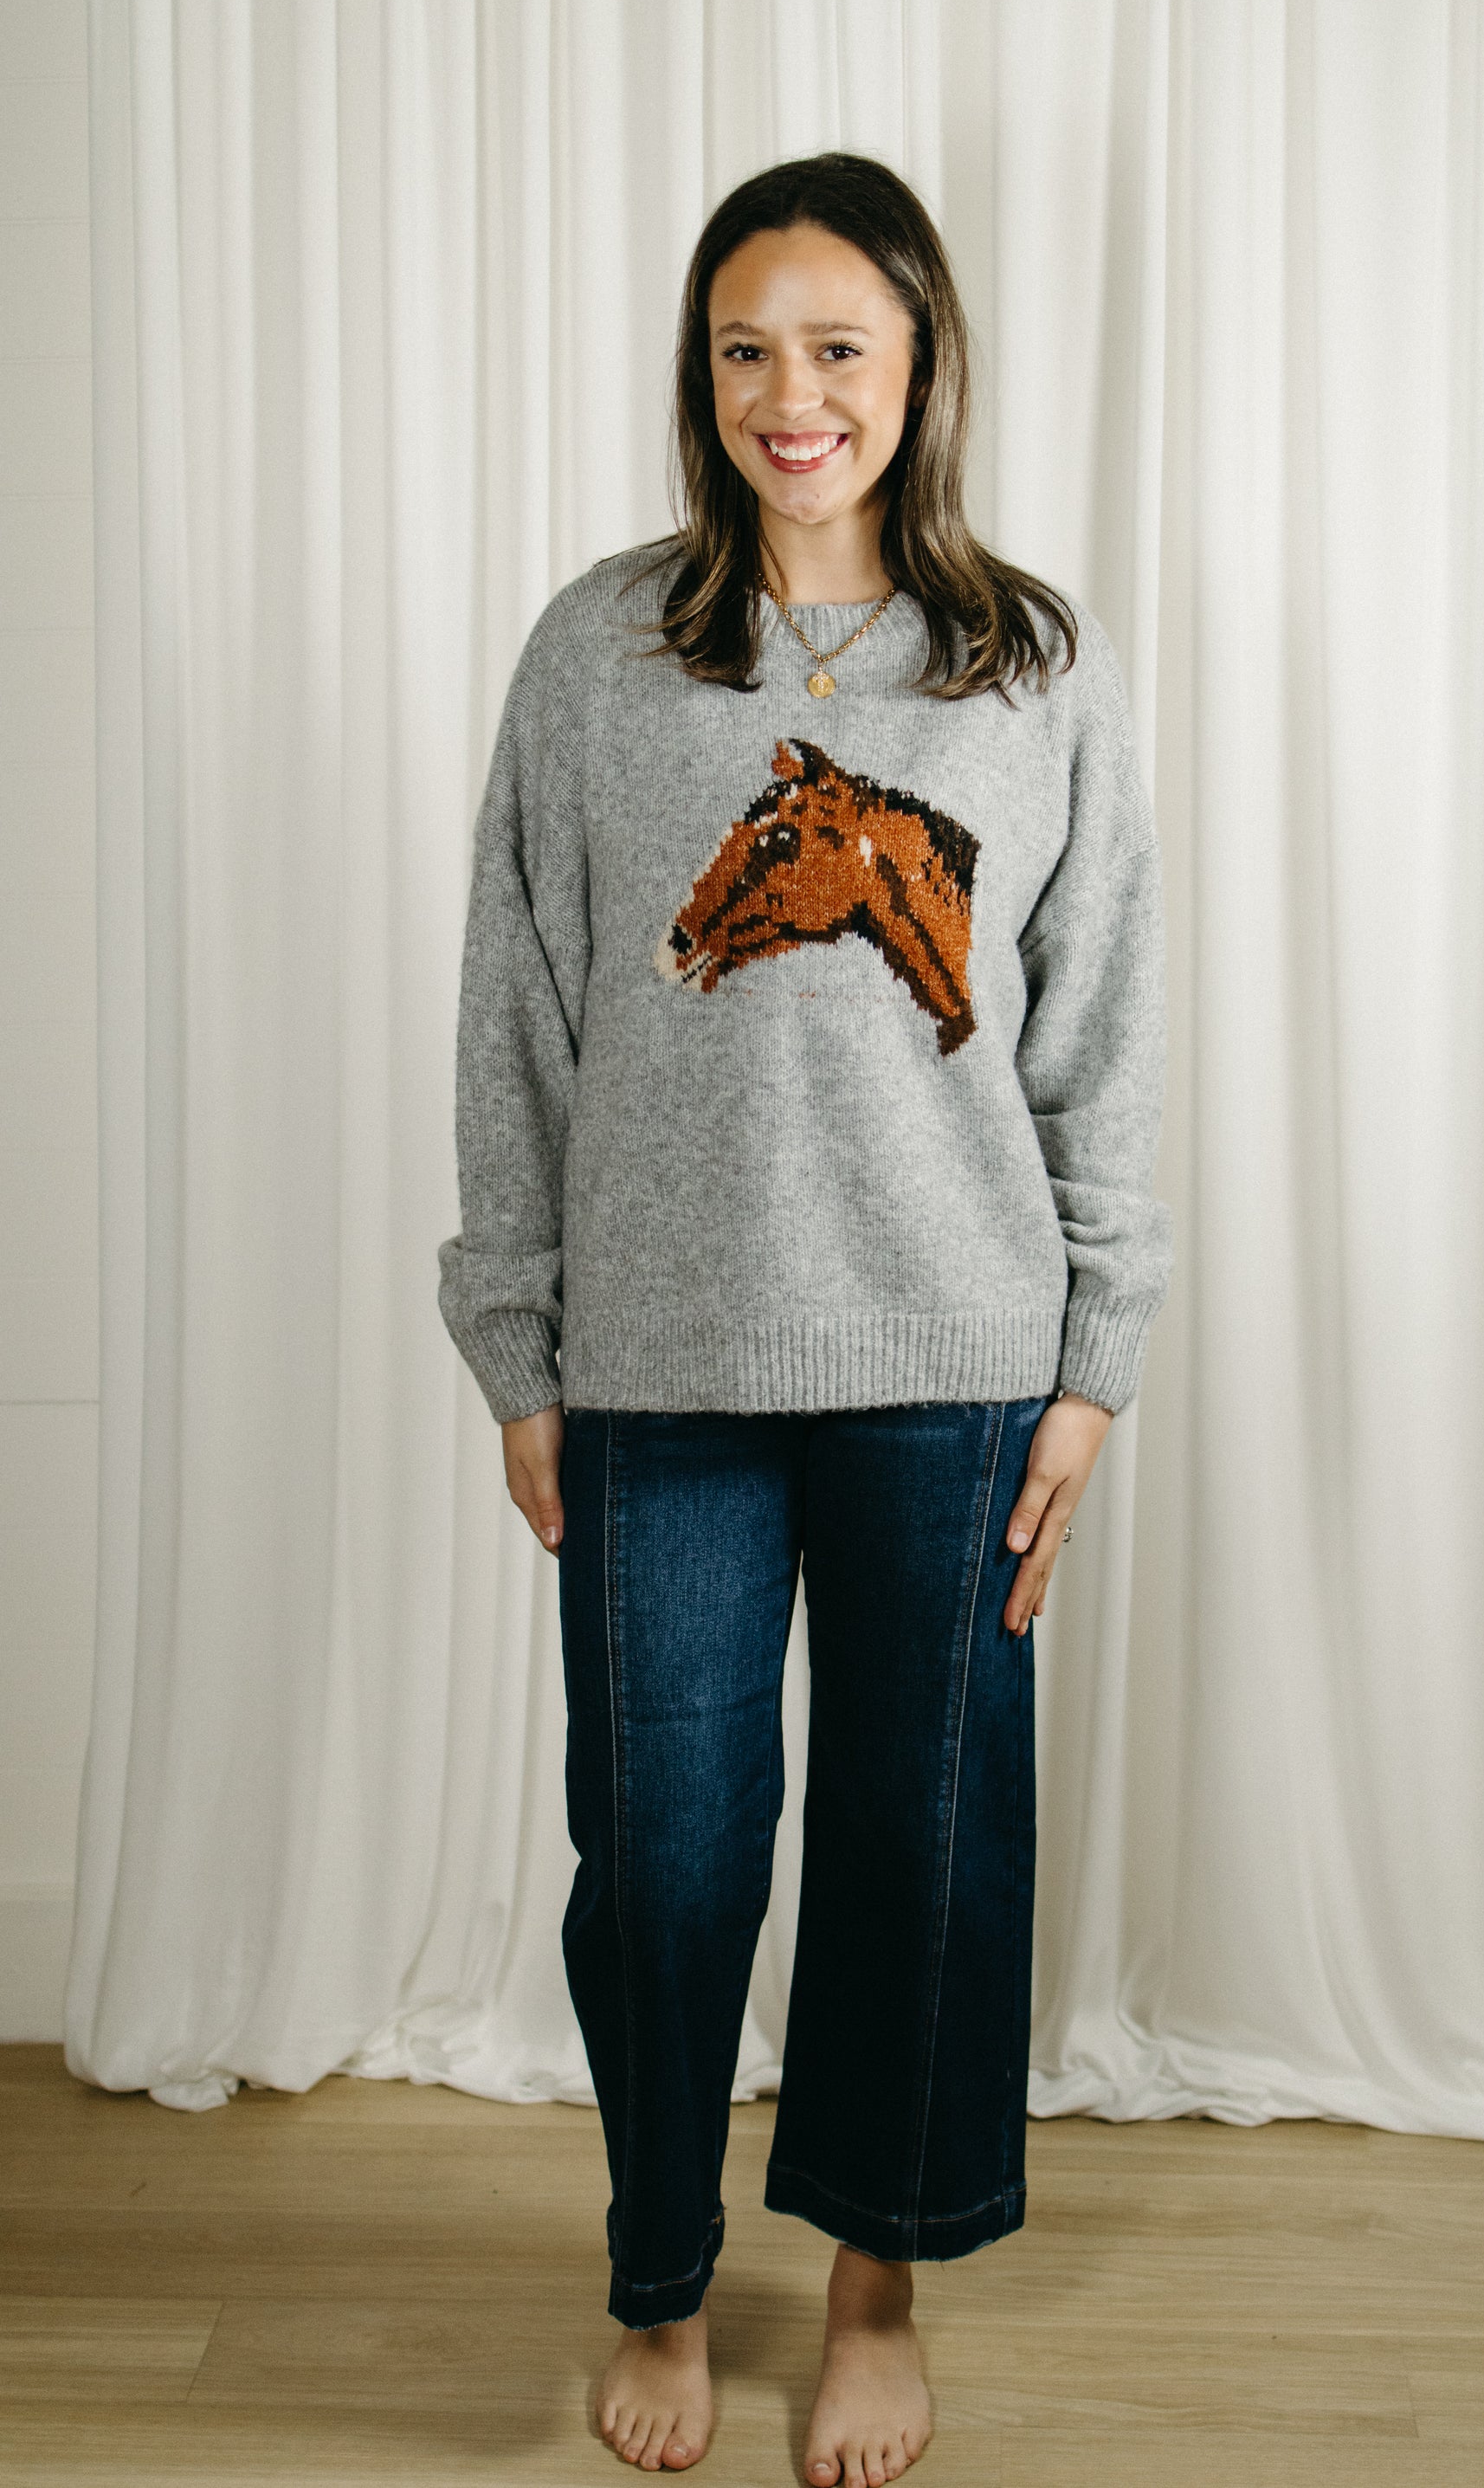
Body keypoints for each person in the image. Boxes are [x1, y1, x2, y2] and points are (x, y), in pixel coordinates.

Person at [437, 150, 1171, 2488]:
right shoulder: (603, 648)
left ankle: (876, 2284)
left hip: (953, 1369)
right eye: (746, 348)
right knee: (663, 1850)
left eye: (839, 346)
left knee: (917, 1851)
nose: (793, 395)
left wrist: (1092, 1365)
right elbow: (519, 1004)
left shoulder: (1029, 665)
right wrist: (518, 1340)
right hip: (659, 1374)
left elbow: (1098, 1026)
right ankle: (660, 2269)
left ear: (921, 362)